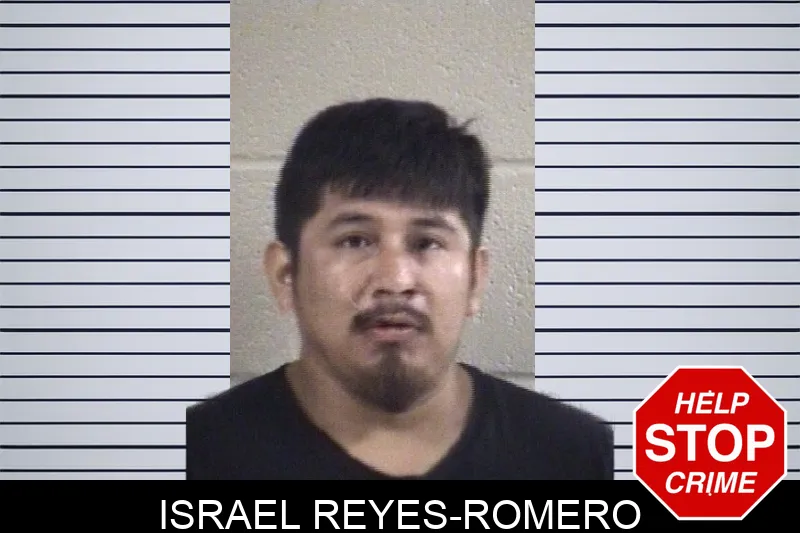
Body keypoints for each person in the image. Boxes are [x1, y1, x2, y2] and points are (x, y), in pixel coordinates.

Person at [185, 98, 614, 480]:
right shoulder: (194, 457)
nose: (396, 280)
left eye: (427, 242)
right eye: (355, 241)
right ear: (286, 275)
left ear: (475, 278)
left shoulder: (577, 457)